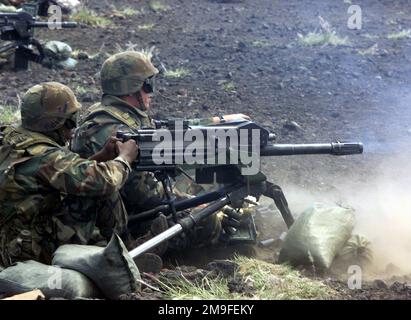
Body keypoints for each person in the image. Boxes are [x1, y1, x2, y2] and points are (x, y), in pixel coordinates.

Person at [71, 50, 250, 252]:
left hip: (124, 207)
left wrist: (218, 122)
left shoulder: (115, 114)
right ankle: (212, 254)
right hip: (120, 224)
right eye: (148, 86)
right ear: (132, 88)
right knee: (209, 219)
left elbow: (163, 130)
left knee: (201, 183)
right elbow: (144, 195)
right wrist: (197, 205)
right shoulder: (114, 131)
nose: (151, 92)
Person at [0, 82, 138, 268]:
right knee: (101, 192)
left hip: (10, 239)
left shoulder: (13, 139)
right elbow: (104, 181)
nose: (72, 129)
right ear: (56, 123)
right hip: (28, 251)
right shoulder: (46, 157)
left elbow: (65, 175)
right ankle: (120, 258)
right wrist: (124, 158)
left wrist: (100, 158)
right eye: (70, 121)